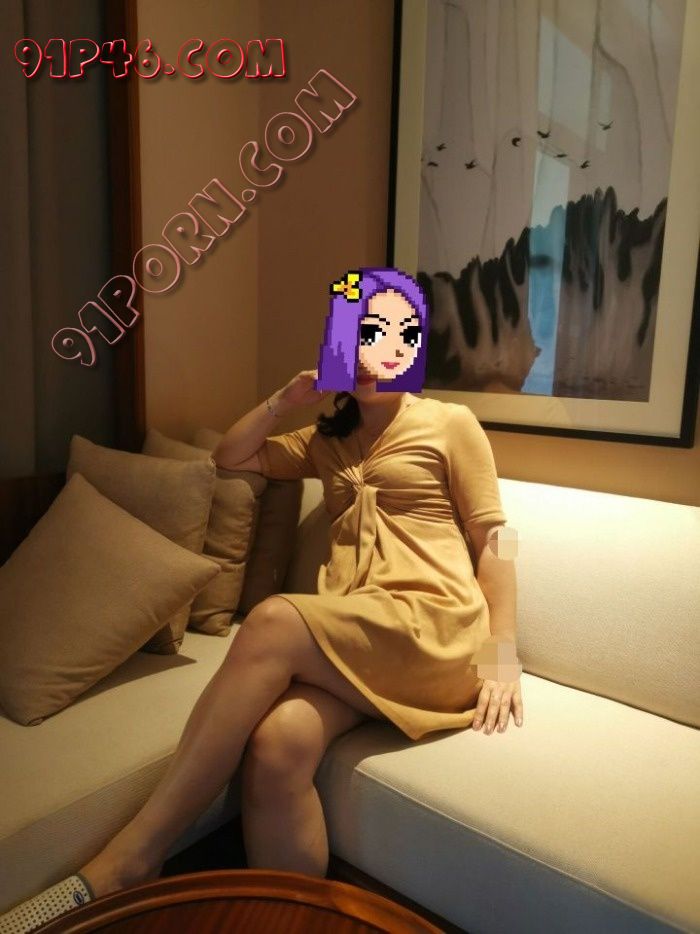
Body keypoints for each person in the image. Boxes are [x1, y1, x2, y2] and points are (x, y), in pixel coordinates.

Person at [1, 267, 522, 931]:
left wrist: (502, 654)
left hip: (435, 632)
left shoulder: (451, 423)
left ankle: (133, 857)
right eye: (366, 331)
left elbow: (497, 539)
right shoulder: (328, 441)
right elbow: (229, 458)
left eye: (401, 332)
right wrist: (284, 400)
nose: (384, 347)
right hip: (358, 638)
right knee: (277, 745)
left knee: (274, 618)